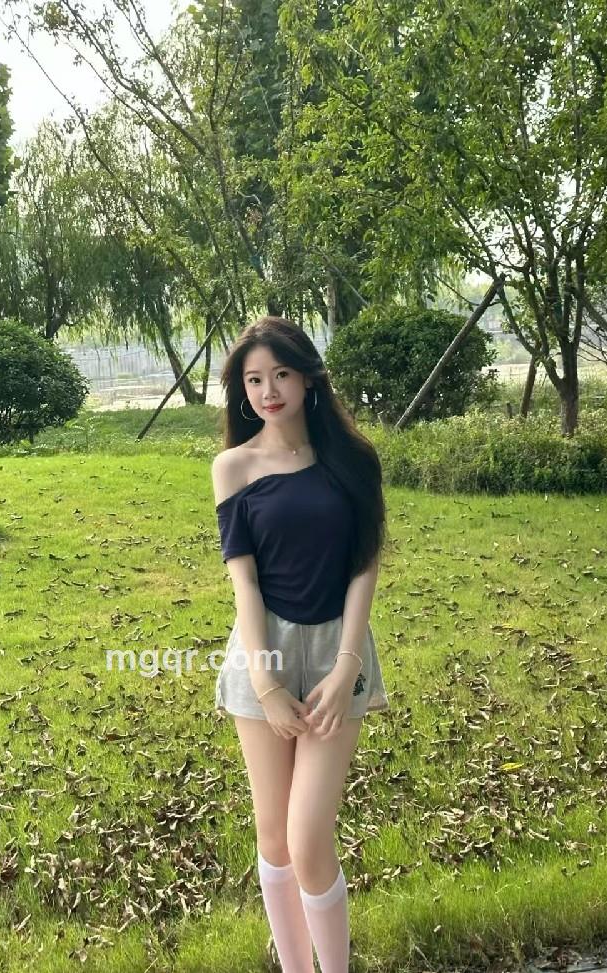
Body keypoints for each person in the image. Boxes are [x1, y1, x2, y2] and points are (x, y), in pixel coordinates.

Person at [211, 316, 391, 973]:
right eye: (254, 379)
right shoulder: (234, 467)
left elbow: (364, 564)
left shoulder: (352, 461)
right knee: (275, 836)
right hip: (263, 657)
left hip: (339, 654)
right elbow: (244, 582)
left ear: (309, 378)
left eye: (281, 374)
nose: (268, 391)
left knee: (309, 837)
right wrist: (264, 683)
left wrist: (346, 668)